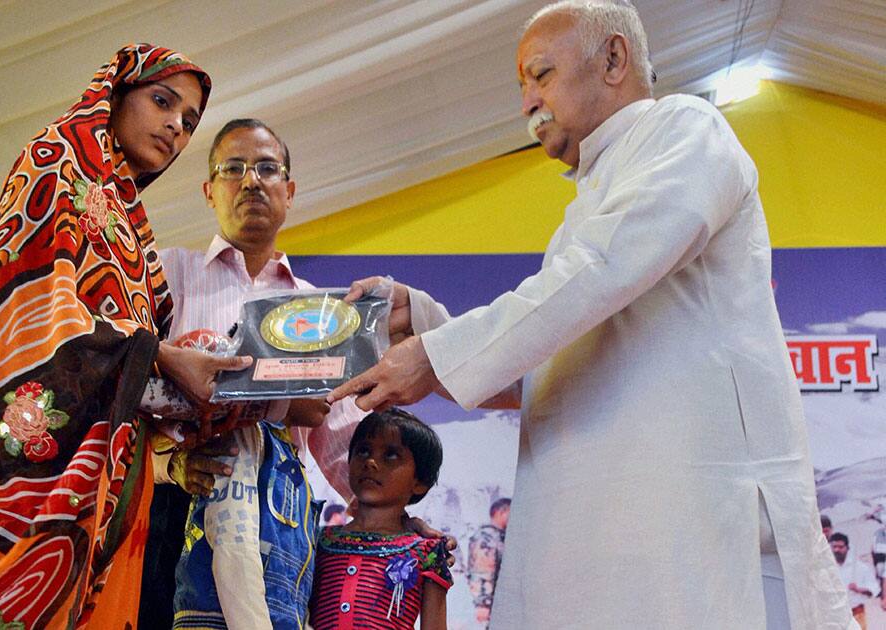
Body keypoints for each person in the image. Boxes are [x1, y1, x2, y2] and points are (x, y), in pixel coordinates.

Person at [329, 2, 855, 628]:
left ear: (612, 59)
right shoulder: (586, 210)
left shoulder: (685, 129)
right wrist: (424, 320)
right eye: (522, 85)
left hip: (690, 530)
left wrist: (437, 354)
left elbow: (601, 268)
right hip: (601, 539)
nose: (528, 102)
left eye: (541, 74)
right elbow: (547, 369)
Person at [0, 45, 244, 630]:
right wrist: (163, 358)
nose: (176, 125)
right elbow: (30, 308)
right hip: (30, 466)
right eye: (163, 101)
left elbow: (141, 346)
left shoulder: (130, 223)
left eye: (190, 120)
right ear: (115, 94)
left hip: (111, 481)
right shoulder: (54, 162)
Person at [139, 119, 453, 628]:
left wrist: (392, 521)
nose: (251, 181)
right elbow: (125, 377)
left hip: (279, 520)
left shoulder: (321, 309)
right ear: (208, 190)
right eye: (233, 168)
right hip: (175, 500)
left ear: (289, 191)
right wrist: (166, 461)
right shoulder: (164, 273)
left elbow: (339, 435)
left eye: (267, 168)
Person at [172, 399, 328, 629]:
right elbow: (234, 550)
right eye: (320, 366)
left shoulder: (291, 460)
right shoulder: (244, 434)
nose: (334, 386)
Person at [309, 408, 451, 630]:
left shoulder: (427, 552)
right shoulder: (317, 541)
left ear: (420, 482)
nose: (371, 462)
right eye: (363, 451)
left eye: (391, 456)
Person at [466, 498, 510, 625]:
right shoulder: (486, 537)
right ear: (501, 512)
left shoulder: (499, 537)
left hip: (499, 602)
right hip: (489, 605)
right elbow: (481, 571)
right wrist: (483, 604)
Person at [830, 533, 879, 629]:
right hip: (835, 617)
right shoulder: (828, 569)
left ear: (847, 548)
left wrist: (859, 589)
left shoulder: (860, 567)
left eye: (840, 547)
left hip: (856, 614)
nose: (837, 550)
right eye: (834, 547)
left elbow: (874, 589)